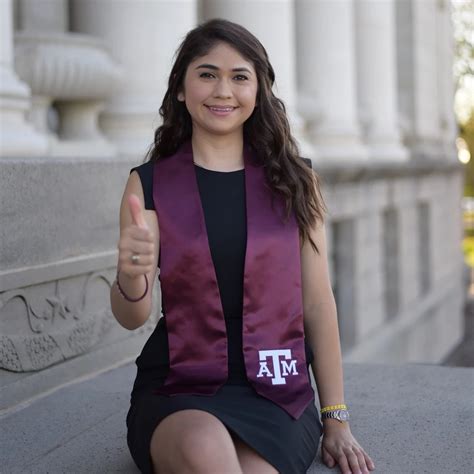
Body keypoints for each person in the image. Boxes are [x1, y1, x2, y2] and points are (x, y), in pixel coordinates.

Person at [110, 18, 375, 474]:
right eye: (207, 73)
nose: (222, 91)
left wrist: (337, 419)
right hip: (179, 382)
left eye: (239, 77)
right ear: (180, 88)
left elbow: (316, 302)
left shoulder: (293, 181)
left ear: (259, 91)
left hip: (277, 385)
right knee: (205, 453)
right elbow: (131, 315)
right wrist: (132, 277)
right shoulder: (149, 185)